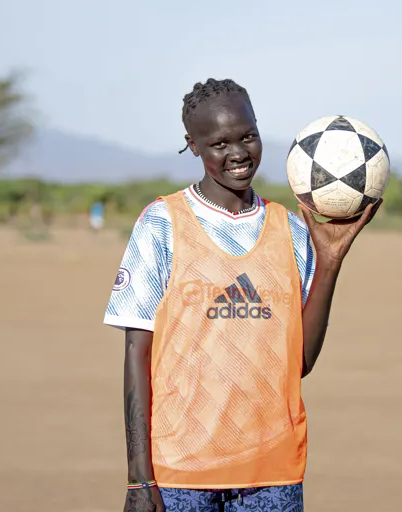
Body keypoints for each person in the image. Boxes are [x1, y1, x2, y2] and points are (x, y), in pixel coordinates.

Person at [103, 78, 381, 511]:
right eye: (218, 143)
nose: (237, 152)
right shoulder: (161, 224)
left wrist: (329, 263)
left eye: (247, 136)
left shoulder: (291, 230)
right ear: (192, 145)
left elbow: (299, 363)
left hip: (273, 474)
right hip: (181, 472)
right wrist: (140, 478)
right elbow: (136, 355)